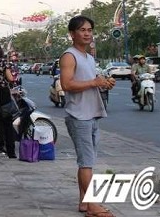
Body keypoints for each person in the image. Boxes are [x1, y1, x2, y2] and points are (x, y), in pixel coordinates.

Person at [59, 15, 116, 217]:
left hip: (91, 114)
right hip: (79, 115)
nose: (87, 33)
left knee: (86, 161)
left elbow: (91, 81)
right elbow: (66, 85)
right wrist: (94, 83)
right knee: (86, 162)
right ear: (72, 34)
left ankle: (84, 202)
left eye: (90, 30)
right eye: (82, 30)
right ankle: (92, 206)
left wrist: (103, 83)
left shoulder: (89, 57)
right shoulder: (69, 56)